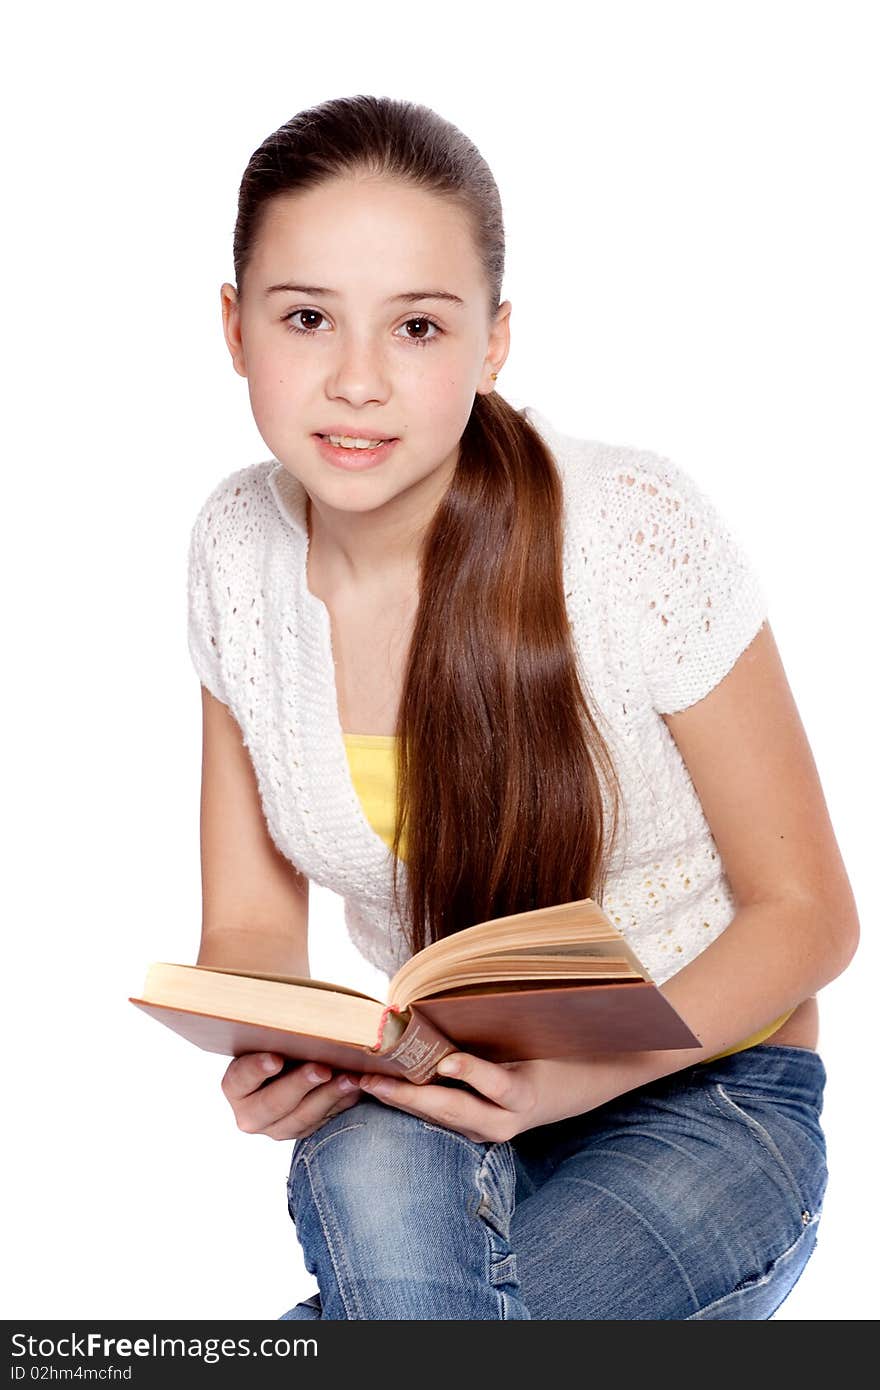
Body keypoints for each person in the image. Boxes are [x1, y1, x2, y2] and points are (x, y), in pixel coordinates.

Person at [187, 94, 859, 1320]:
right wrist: (272, 1049)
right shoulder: (239, 547)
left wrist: (566, 1078)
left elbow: (807, 912)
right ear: (234, 328)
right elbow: (245, 924)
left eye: (418, 326)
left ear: (494, 341)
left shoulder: (625, 532)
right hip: (431, 1092)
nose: (355, 381)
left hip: (706, 1098)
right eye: (304, 317)